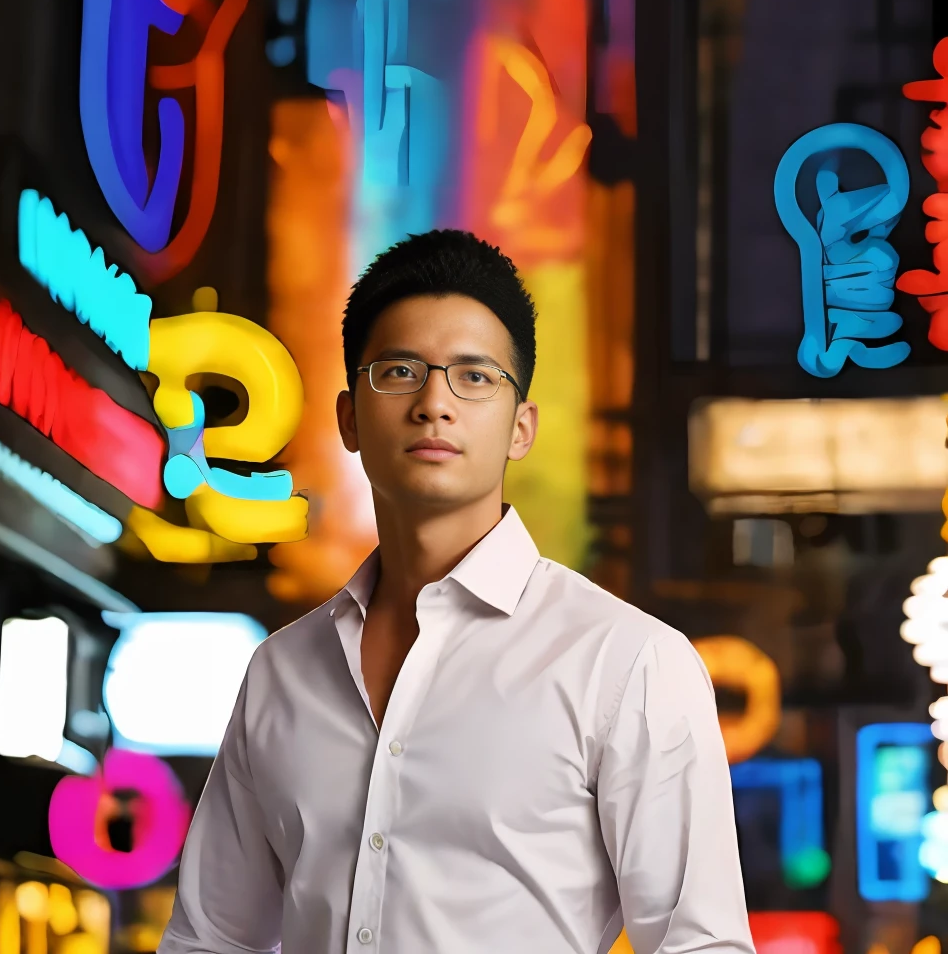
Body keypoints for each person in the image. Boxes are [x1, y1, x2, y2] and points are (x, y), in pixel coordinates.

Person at [158, 230, 754, 954]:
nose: (434, 403)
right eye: (400, 371)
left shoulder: (628, 663)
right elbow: (210, 939)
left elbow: (700, 944)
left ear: (521, 428)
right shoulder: (280, 673)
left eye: (474, 377)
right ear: (349, 417)